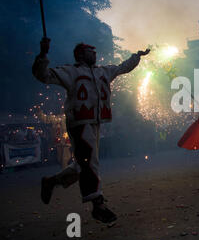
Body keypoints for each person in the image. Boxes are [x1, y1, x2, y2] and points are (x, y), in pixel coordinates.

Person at [32, 37, 150, 223]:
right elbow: (43, 75)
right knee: (90, 161)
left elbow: (123, 67)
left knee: (83, 164)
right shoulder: (70, 71)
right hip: (79, 123)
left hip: (95, 123)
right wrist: (43, 54)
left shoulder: (103, 71)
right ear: (80, 54)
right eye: (90, 51)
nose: (94, 53)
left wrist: (137, 56)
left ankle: (52, 181)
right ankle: (98, 204)